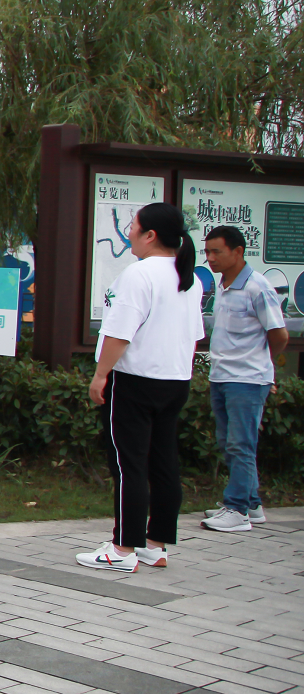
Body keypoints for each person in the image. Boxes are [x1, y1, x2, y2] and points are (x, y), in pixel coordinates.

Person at [80, 203, 204, 571]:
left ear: (150, 235)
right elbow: (194, 335)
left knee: (128, 464)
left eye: (133, 226)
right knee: (163, 463)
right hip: (175, 381)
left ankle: (122, 549)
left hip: (135, 382)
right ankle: (156, 544)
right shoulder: (189, 277)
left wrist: (101, 375)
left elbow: (120, 333)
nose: (129, 232)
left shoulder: (139, 274)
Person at [202, 226, 286, 532]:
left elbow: (279, 334)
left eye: (217, 251)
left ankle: (237, 510)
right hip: (221, 376)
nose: (210, 258)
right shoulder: (224, 285)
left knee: (241, 444)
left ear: (238, 252)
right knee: (228, 443)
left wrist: (263, 364)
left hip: (247, 379)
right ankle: (251, 503)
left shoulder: (257, 288)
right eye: (207, 252)